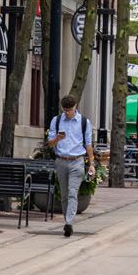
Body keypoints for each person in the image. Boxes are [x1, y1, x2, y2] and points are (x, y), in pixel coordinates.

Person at [46, 95, 96, 238]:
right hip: (61, 160)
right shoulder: (56, 121)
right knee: (64, 195)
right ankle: (67, 221)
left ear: (76, 107)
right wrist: (57, 138)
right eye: (65, 110)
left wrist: (91, 164)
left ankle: (69, 223)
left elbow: (88, 144)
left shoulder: (84, 122)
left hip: (77, 161)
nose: (68, 113)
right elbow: (49, 144)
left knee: (72, 192)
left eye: (70, 110)